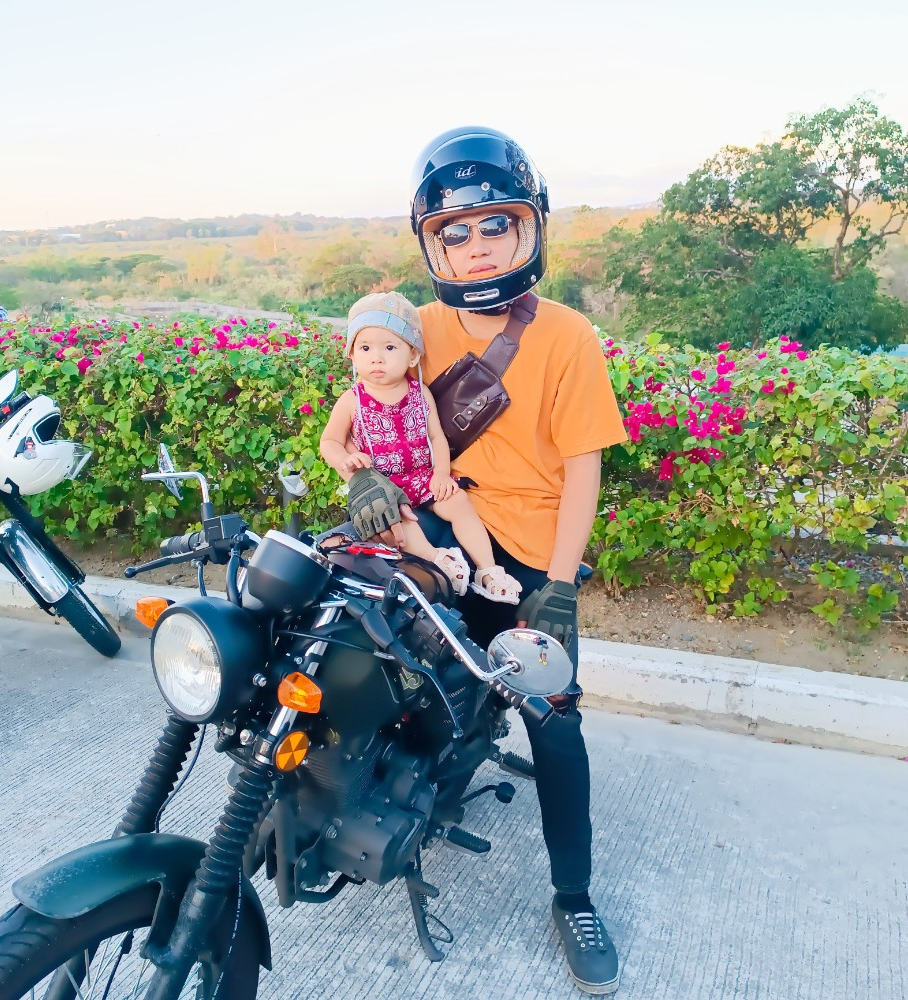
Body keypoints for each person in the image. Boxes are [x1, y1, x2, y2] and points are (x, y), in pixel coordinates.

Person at [343, 127, 628, 995]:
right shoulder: (415, 326)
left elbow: (584, 469)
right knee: (359, 650)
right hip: (435, 532)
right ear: (431, 243)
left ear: (529, 226)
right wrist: (362, 479)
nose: (477, 247)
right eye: (455, 232)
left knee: (554, 717)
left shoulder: (568, 336)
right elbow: (363, 415)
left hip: (530, 551)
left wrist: (560, 586)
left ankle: (574, 894)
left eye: (495, 224)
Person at [320, 291, 522, 602]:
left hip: (422, 477)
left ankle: (488, 570)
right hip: (386, 487)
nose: (377, 358)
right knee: (399, 522)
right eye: (365, 348)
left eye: (390, 347)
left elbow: (436, 437)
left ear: (413, 355)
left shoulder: (419, 392)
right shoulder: (352, 400)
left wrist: (440, 473)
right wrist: (347, 460)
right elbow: (330, 441)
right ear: (352, 355)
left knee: (458, 503)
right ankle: (438, 559)